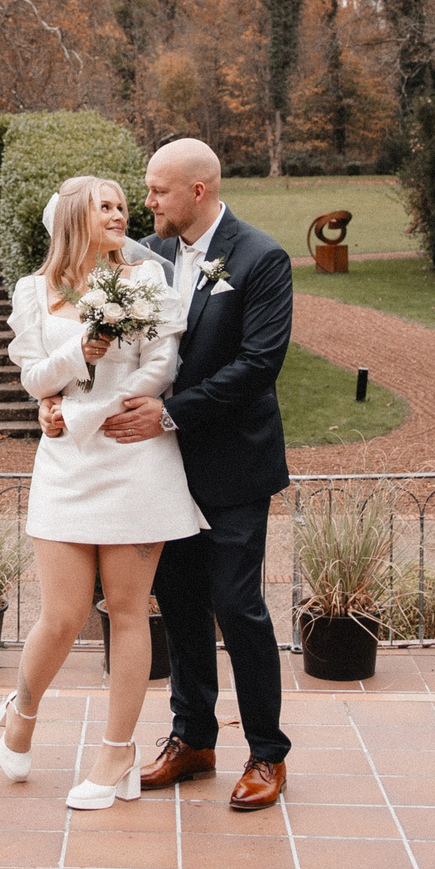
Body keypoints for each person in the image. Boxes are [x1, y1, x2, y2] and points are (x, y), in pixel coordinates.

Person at [0, 174, 205, 809]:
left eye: (121, 205)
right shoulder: (34, 292)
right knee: (61, 615)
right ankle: (21, 712)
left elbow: (160, 365)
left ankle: (117, 753)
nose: (120, 215)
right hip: (64, 465)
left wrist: (94, 411)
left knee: (129, 610)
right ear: (74, 220)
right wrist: (75, 360)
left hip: (134, 455)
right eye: (106, 206)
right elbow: (34, 376)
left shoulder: (145, 279)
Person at [100, 138, 294, 810]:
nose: (146, 200)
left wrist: (170, 413)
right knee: (179, 607)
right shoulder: (145, 262)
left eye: (157, 190)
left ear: (198, 192)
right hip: (162, 469)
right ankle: (193, 739)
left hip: (234, 464)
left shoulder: (261, 258)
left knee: (237, 607)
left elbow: (258, 365)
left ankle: (267, 752)